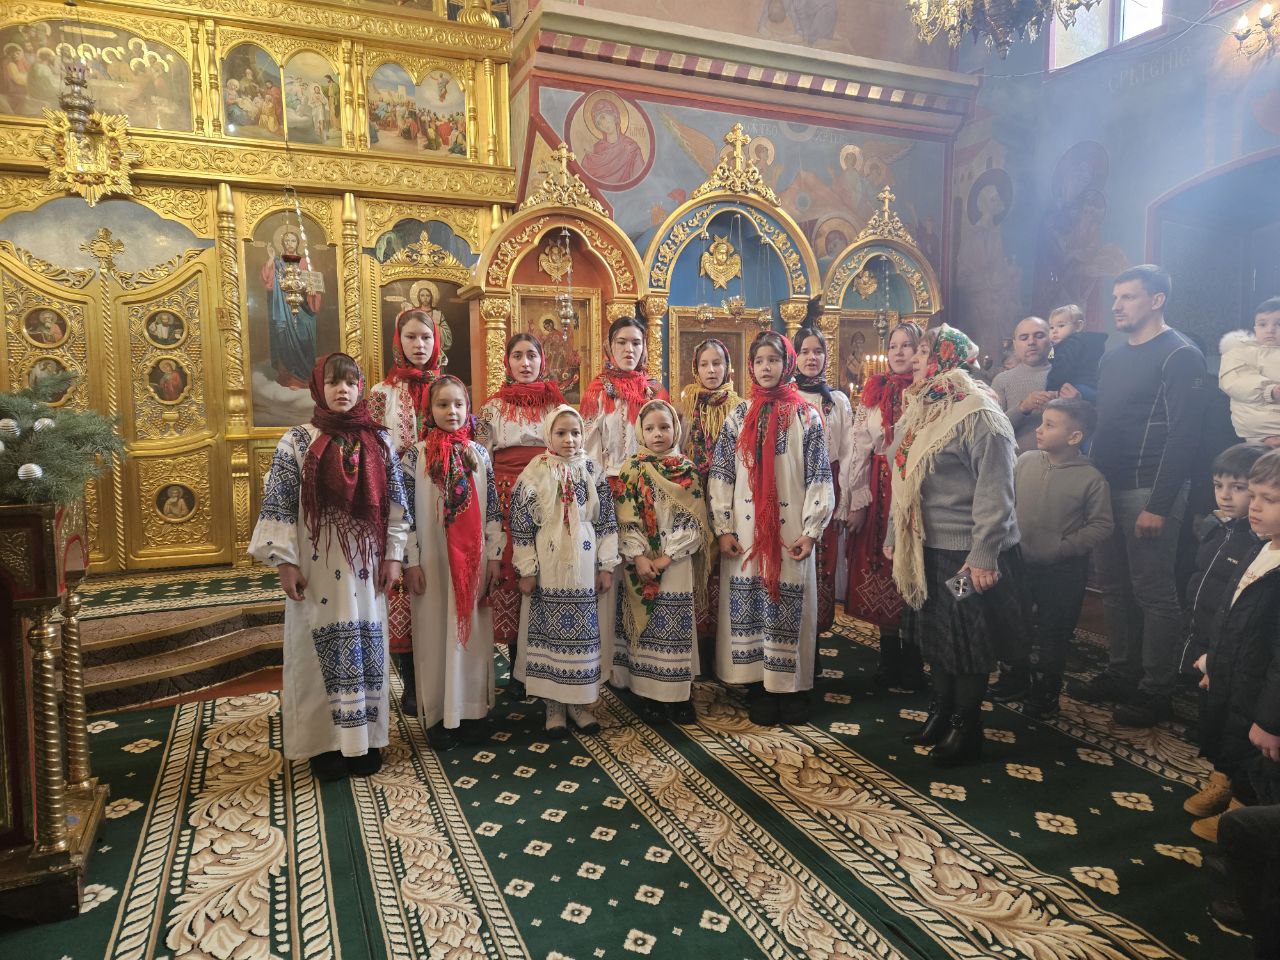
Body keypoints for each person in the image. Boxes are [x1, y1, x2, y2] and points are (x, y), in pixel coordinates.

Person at [248, 353, 411, 781]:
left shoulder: (380, 443)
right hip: (316, 564)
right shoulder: (297, 441)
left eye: (352, 383)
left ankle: (365, 741)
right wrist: (285, 563)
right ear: (318, 389)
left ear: (361, 389)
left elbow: (397, 506)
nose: (344, 390)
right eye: (334, 383)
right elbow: (280, 504)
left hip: (367, 565)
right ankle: (324, 744)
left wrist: (394, 556)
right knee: (317, 649)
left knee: (366, 646)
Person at [1070, 265, 1208, 727]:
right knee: (1113, 587)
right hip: (1106, 487)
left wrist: (1159, 504)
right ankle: (1122, 672)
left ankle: (1156, 690)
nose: (1117, 306)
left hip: (1149, 488)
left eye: (1128, 296)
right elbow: (1106, 423)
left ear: (1157, 300)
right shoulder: (1112, 356)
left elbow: (1184, 437)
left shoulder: (1180, 355)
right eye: (1115, 297)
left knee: (1153, 592)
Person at [885, 325, 1022, 767]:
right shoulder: (926, 408)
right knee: (937, 638)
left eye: (925, 351)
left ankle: (967, 726)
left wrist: (982, 555)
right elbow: (903, 479)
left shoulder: (979, 413)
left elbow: (996, 491)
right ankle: (941, 712)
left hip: (966, 556)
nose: (916, 359)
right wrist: (894, 535)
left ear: (948, 358)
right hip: (925, 547)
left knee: (965, 643)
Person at [708, 331, 834, 726]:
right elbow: (722, 473)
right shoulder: (738, 415)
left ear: (787, 364)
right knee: (750, 604)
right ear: (750, 366)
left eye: (774, 360)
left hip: (790, 529)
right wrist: (723, 527)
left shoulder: (806, 415)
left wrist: (812, 529)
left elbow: (819, 475)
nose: (766, 367)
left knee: (788, 603)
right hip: (746, 531)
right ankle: (759, 687)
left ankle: (792, 688)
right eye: (760, 360)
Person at [403, 376, 504, 750]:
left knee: (473, 633)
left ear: (468, 408)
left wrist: (494, 557)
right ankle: (438, 716)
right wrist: (411, 561)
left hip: (472, 562)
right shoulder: (415, 457)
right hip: (432, 561)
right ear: (429, 410)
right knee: (434, 633)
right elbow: (405, 515)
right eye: (443, 404)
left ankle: (472, 711)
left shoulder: (479, 454)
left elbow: (492, 510)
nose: (452, 411)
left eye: (459, 404)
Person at [509, 405, 619, 737]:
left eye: (575, 432)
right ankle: (554, 705)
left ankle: (578, 703)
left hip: (585, 562)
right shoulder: (535, 471)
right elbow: (521, 523)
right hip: (549, 563)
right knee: (550, 631)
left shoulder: (592, 469)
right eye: (561, 433)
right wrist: (527, 569)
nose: (569, 439)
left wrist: (606, 565)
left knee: (583, 633)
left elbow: (606, 520)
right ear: (548, 435)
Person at [1181, 442, 1268, 837]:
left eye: (1239, 487)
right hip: (1212, 642)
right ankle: (1221, 778)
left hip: (1241, 654)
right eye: (1219, 486)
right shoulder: (1221, 530)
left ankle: (1240, 803)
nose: (1227, 496)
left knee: (1239, 724)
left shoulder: (1258, 542)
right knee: (1215, 715)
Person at [1010, 398, 1113, 718]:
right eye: (1041, 422)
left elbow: (1102, 525)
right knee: (1015, 624)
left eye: (1049, 425)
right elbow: (1007, 499)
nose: (1039, 430)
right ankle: (1014, 679)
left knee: (1054, 633)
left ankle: (1046, 694)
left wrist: (1063, 548)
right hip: (1019, 563)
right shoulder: (1025, 461)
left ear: (1074, 437)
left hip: (1062, 571)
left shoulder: (1091, 479)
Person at [475, 333, 565, 698]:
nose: (525, 363)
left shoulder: (556, 405)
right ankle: (516, 669)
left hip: (547, 493)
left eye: (531, 355)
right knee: (513, 573)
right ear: (507, 361)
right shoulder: (492, 408)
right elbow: (482, 459)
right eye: (517, 356)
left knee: (546, 568)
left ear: (542, 359)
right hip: (506, 496)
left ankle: (547, 662)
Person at [614, 399, 713, 724]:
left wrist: (669, 556)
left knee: (675, 628)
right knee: (647, 628)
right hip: (641, 561)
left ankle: (678, 695)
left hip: (676, 561)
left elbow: (695, 520)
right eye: (650, 428)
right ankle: (648, 694)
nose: (657, 434)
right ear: (640, 432)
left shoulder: (686, 470)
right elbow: (625, 516)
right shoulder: (632, 468)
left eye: (664, 427)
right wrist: (639, 556)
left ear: (676, 429)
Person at [582, 315, 667, 688]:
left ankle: (641, 662)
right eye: (622, 342)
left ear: (644, 347)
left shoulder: (654, 391)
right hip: (608, 489)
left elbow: (665, 441)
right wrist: (599, 489)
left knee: (642, 570)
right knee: (610, 573)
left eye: (636, 342)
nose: (629, 349)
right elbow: (588, 447)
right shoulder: (598, 391)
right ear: (609, 347)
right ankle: (608, 664)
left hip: (648, 489)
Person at [844, 321, 927, 691]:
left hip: (917, 489)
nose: (899, 352)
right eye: (893, 345)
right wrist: (857, 501)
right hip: (880, 492)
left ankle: (915, 659)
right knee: (883, 568)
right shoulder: (874, 391)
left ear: (921, 351)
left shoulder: (930, 391)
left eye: (908, 345)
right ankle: (889, 655)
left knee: (914, 567)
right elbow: (860, 447)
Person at [368, 308, 441, 717]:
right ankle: (411, 683)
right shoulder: (381, 393)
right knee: (401, 590)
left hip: (438, 499)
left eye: (426, 338)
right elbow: (372, 449)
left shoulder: (445, 387)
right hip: (396, 500)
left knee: (434, 581)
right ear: (398, 341)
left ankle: (439, 676)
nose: (419, 345)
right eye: (411, 337)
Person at [675, 338, 742, 673]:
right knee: (697, 566)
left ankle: (725, 647)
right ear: (695, 368)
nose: (711, 370)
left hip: (729, 496)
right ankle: (698, 647)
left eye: (717, 363)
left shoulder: (740, 407)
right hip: (694, 496)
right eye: (704, 364)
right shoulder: (685, 405)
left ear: (727, 367)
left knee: (724, 568)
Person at [793, 326, 853, 635]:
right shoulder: (787, 398)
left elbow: (848, 450)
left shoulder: (838, 400)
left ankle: (816, 637)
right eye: (804, 351)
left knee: (824, 562)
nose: (811, 358)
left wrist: (844, 501)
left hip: (829, 486)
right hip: (794, 487)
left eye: (817, 351)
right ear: (794, 357)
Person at [262, 227, 321, 388]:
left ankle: (305, 376)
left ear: (298, 243)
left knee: (305, 338)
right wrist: (271, 258)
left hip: (303, 308)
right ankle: (289, 377)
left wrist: (312, 291)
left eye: (293, 240)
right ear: (282, 243)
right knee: (285, 340)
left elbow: (315, 284)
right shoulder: (277, 262)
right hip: (284, 308)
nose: (290, 243)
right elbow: (268, 282)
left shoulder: (305, 263)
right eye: (286, 240)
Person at [1219, 297, 1280, 447]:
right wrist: (1270, 390)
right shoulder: (1240, 351)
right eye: (1263, 324)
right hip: (1260, 426)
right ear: (1255, 328)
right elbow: (1235, 381)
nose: (1270, 330)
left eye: (1279, 324)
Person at [991, 316, 1053, 453]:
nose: (1031, 342)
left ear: (1050, 339)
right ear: (1015, 344)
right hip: (1016, 461)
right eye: (1024, 338)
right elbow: (992, 431)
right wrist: (1023, 407)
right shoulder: (1002, 380)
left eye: (1039, 336)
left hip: (1060, 461)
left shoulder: (1065, 375)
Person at [1045, 303, 1107, 403]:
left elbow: (1061, 366)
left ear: (1078, 326)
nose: (1054, 331)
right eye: (1051, 327)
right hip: (1090, 386)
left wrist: (1051, 388)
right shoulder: (1084, 343)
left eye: (1061, 325)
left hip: (1078, 387)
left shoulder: (1071, 343)